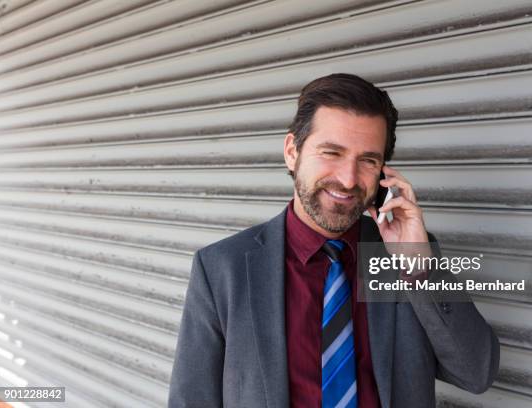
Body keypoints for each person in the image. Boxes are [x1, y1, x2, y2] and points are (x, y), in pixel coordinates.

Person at [168, 73, 500, 408]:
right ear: (291, 152)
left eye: (368, 160)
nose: (348, 179)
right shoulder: (222, 269)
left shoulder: (408, 257)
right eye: (331, 152)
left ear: (384, 172)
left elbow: (476, 373)